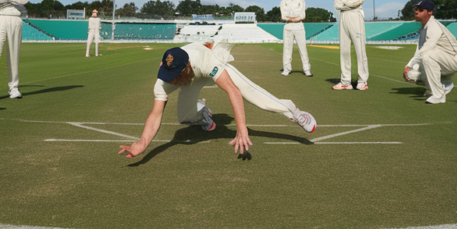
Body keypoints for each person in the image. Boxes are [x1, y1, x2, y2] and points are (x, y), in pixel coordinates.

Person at [117, 41, 317, 159]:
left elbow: (234, 91)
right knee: (184, 117)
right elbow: (156, 114)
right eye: (171, 77)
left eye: (177, 75)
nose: (174, 81)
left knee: (251, 92)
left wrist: (241, 129)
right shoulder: (165, 79)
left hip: (206, 66)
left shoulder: (204, 60)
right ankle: (204, 115)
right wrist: (143, 143)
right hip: (192, 77)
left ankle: (294, 112)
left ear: (186, 67)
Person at [403, 0, 457, 104]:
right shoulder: (424, 28)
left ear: (430, 12)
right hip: (443, 58)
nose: (416, 11)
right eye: (415, 9)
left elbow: (426, 49)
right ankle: (438, 86)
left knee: (427, 56)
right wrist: (409, 66)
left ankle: (439, 95)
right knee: (413, 72)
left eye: (420, 9)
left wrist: (411, 64)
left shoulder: (433, 26)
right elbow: (419, 50)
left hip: (455, 59)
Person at [333, 0, 369, 90]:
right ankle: (345, 81)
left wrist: (345, 4)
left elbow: (358, 1)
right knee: (344, 50)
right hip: (343, 17)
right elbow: (336, 5)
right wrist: (347, 5)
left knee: (360, 50)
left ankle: (362, 81)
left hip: (355, 15)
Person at [280, 0, 312, 77]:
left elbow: (302, 15)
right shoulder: (284, 1)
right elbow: (283, 16)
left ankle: (307, 69)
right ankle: (286, 68)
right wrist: (293, 18)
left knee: (302, 48)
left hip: (299, 26)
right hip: (288, 26)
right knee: (287, 48)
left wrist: (290, 18)